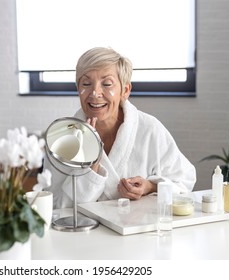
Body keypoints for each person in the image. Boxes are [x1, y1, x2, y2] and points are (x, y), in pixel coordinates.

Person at [44, 47, 197, 209]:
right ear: (78, 90)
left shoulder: (149, 129)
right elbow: (53, 205)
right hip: (83, 232)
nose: (95, 93)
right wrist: (91, 170)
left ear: (125, 90)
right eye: (86, 83)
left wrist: (150, 186)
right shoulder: (62, 138)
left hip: (136, 230)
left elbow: (185, 180)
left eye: (107, 84)